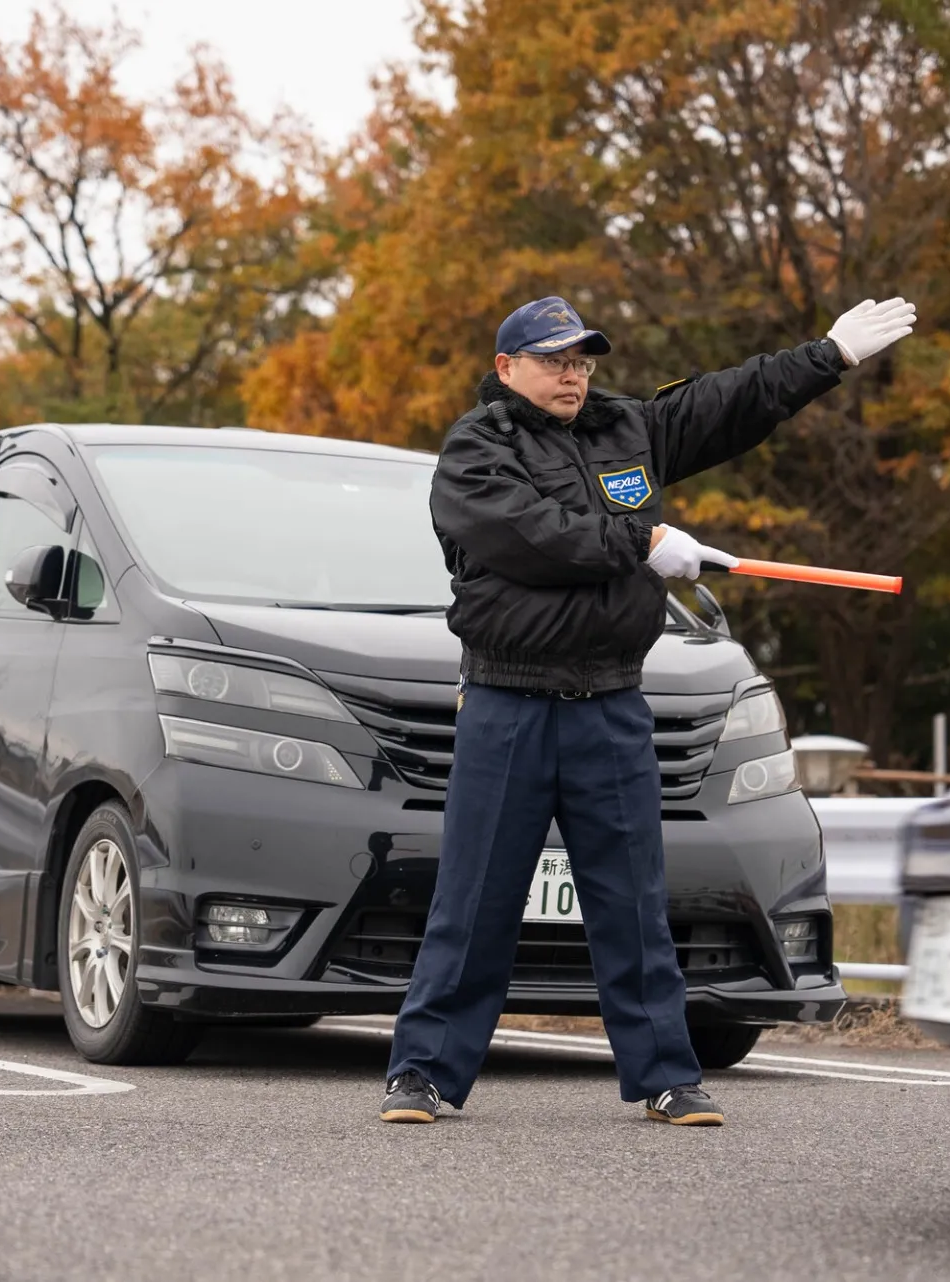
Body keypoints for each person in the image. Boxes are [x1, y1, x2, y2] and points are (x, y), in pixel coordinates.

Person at [380, 292, 918, 1125]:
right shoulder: (474, 451)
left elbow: (726, 403)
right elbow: (525, 535)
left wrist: (828, 356)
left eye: (583, 358)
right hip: (507, 703)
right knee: (476, 897)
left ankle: (668, 1075)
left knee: (633, 902)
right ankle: (423, 1073)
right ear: (506, 368)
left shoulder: (625, 429)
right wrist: (645, 542)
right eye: (556, 359)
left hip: (612, 703)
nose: (573, 373)